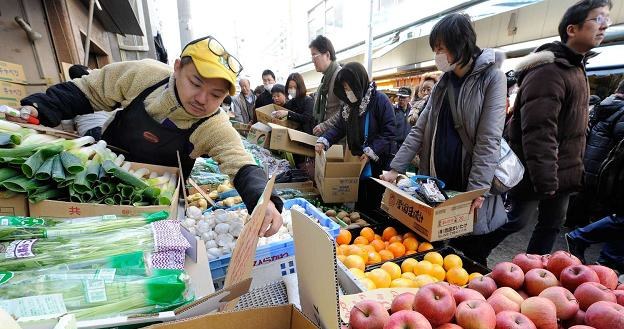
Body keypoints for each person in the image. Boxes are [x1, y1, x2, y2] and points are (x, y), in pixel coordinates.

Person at [6, 36, 283, 237]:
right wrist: (40, 107)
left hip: (158, 198)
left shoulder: (215, 125)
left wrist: (263, 200)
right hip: (98, 176)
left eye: (216, 95)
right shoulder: (144, 75)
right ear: (176, 67)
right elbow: (89, 90)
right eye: (195, 83)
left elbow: (240, 162)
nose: (201, 99)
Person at [474, 0, 613, 258]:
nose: (604, 27)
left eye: (608, 20)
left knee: (551, 224)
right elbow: (539, 130)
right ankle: (473, 250)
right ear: (572, 29)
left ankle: (536, 271)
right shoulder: (550, 70)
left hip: (562, 168)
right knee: (517, 219)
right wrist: (547, 179)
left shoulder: (575, 67)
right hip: (539, 169)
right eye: (598, 20)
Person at [380, 13, 507, 265]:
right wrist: (395, 168)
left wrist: (477, 189)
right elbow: (419, 129)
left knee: (466, 253)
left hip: (468, 180)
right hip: (438, 180)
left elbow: (489, 138)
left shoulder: (492, 78)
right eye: (435, 49)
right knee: (433, 251)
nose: (437, 55)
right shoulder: (442, 84)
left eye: (441, 48)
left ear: (461, 44)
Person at [315, 62, 396, 213]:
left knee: (375, 201)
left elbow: (389, 132)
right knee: (359, 201)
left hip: (379, 163)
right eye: (344, 88)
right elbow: (340, 127)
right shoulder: (348, 106)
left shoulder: (380, 100)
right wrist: (324, 141)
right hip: (358, 161)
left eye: (349, 87)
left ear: (358, 83)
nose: (347, 92)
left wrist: (371, 150)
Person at [566, 79, 624, 228]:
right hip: (602, 155)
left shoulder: (606, 102)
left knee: (582, 188)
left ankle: (570, 220)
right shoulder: (622, 109)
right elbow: (620, 135)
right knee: (589, 192)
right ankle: (577, 226)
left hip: (590, 151)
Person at [67, 64, 112, 141]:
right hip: (105, 128)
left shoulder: (70, 91)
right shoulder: (98, 86)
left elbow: (66, 120)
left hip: (86, 133)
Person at [309, 35, 342, 136]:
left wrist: (324, 126)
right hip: (327, 137)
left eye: (314, 55)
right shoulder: (325, 79)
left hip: (337, 138)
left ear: (327, 55)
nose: (312, 60)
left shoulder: (339, 76)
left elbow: (346, 110)